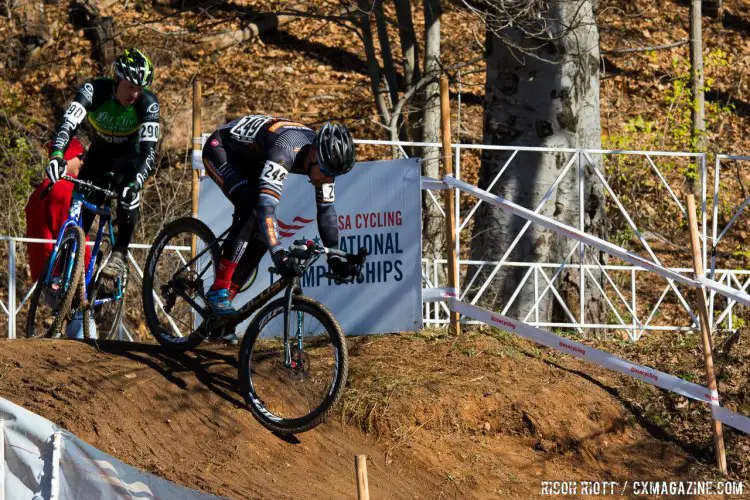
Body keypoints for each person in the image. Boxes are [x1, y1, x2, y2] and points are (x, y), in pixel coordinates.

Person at [201, 116, 357, 317]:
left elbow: (326, 211)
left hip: (254, 157)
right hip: (222, 149)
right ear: (314, 155)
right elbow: (266, 208)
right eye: (326, 172)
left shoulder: (323, 162)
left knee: (261, 237)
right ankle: (218, 290)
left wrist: (335, 255)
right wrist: (279, 254)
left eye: (334, 176)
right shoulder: (285, 150)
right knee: (253, 210)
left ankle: (221, 314)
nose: (328, 179)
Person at [44, 47, 160, 278]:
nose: (134, 94)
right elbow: (68, 125)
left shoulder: (147, 104)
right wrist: (57, 155)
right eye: (129, 86)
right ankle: (65, 277)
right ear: (116, 79)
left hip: (129, 160)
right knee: (79, 216)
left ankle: (119, 253)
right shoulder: (93, 91)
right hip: (98, 157)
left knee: (129, 197)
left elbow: (149, 151)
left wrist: (135, 183)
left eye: (139, 88)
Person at [25, 138, 96, 339]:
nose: (83, 162)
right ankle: (83, 357)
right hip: (59, 270)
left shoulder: (41, 189)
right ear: (67, 157)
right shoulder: (62, 189)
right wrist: (87, 263)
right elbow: (73, 233)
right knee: (82, 316)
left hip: (43, 268)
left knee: (62, 317)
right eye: (80, 156)